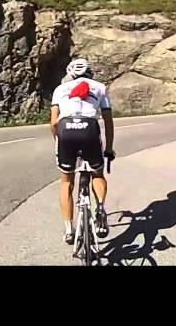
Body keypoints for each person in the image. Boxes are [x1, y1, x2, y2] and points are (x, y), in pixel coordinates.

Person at [50, 58, 115, 245]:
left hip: (65, 129)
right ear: (90, 72)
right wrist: (109, 148)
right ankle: (100, 208)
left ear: (69, 74)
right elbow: (108, 121)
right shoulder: (100, 87)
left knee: (66, 180)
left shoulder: (59, 89)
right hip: (89, 128)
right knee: (97, 173)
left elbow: (54, 123)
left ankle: (69, 230)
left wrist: (59, 141)